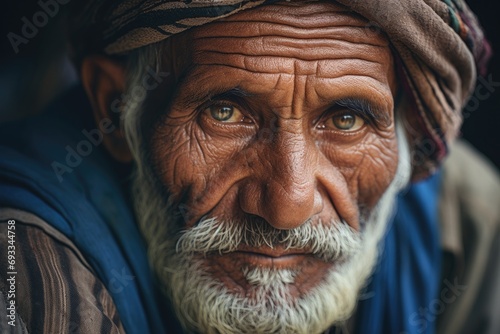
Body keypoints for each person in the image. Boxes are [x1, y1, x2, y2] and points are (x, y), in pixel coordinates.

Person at [0, 0, 498, 333]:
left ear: (407, 132)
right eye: (225, 114)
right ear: (113, 108)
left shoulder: (468, 225)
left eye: (346, 119)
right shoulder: (22, 262)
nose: (286, 205)